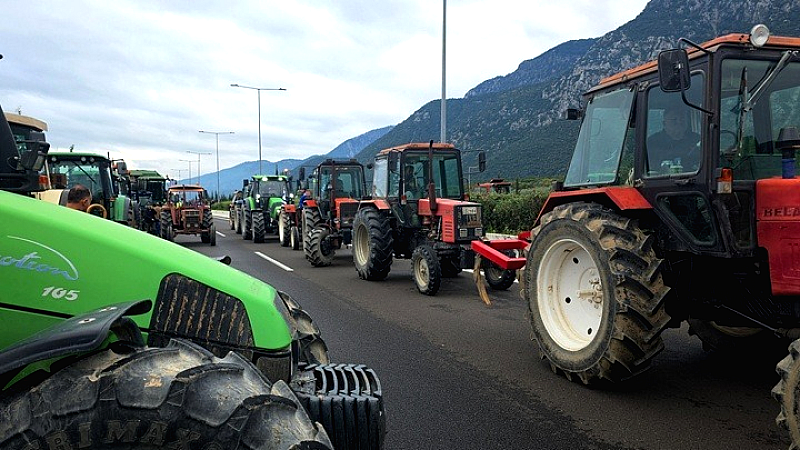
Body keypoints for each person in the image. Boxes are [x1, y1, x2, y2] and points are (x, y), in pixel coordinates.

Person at [647, 106, 701, 173]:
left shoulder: (697, 139)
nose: (679, 122)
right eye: (674, 120)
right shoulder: (653, 142)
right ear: (664, 123)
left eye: (682, 119)